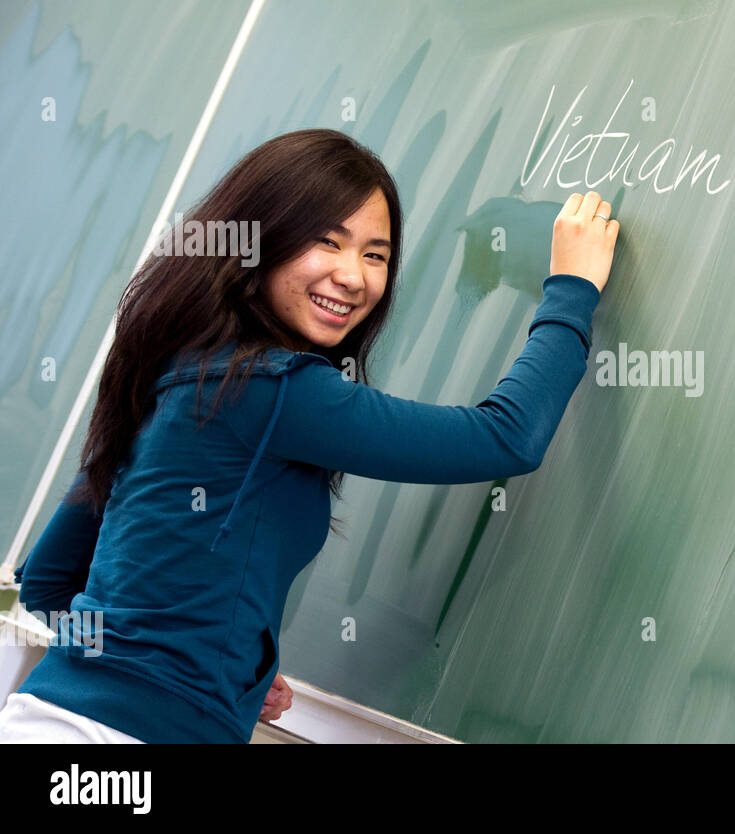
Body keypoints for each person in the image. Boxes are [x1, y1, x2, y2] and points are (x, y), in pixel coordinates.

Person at [0, 129, 618, 743]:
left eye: (375, 255)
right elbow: (505, 438)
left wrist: (217, 669)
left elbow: (51, 583)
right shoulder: (273, 387)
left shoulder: (175, 370)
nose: (353, 276)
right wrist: (572, 289)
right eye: (328, 242)